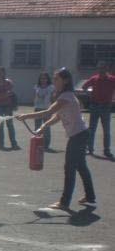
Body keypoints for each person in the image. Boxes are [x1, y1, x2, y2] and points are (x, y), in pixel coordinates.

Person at [16, 68, 96, 210]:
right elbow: (57, 116)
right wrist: (44, 126)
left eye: (57, 79)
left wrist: (26, 116)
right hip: (80, 134)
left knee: (69, 167)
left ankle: (64, 202)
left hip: (78, 136)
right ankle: (90, 196)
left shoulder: (66, 96)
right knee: (81, 166)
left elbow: (48, 112)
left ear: (65, 80)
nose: (54, 81)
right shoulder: (65, 96)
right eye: (54, 78)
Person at [83, 61, 115, 158]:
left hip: (106, 106)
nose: (101, 70)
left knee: (106, 130)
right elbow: (84, 87)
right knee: (92, 128)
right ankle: (90, 149)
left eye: (103, 68)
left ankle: (107, 150)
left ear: (106, 69)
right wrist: (90, 95)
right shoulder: (94, 78)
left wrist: (112, 99)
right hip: (95, 105)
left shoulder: (112, 79)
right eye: (99, 68)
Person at [0, 66, 20, 150]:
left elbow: (10, 93)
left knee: (10, 125)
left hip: (8, 105)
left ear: (4, 73)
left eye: (2, 72)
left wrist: (2, 95)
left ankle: (14, 143)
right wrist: (4, 95)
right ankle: (1, 144)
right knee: (0, 125)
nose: (0, 74)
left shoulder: (8, 82)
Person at [33, 72, 54, 150]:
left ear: (48, 79)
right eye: (42, 78)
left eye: (45, 78)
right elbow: (34, 96)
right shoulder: (36, 86)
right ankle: (37, 142)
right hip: (38, 108)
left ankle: (46, 145)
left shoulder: (51, 87)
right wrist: (34, 105)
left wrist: (52, 108)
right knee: (37, 127)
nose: (43, 80)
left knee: (46, 127)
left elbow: (52, 98)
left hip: (47, 109)